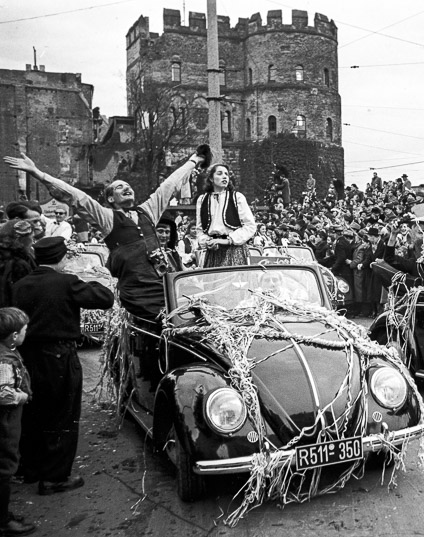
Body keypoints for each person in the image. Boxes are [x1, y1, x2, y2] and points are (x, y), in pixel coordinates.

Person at [3, 147, 208, 321]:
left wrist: (194, 160)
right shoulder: (107, 217)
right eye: (119, 187)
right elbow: (76, 196)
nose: (126, 187)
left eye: (128, 186)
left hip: (164, 286)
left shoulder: (147, 211)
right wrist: (38, 173)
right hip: (138, 293)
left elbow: (169, 185)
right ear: (110, 198)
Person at [11, 237, 114, 495]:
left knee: (33, 413)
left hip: (26, 356)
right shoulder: (66, 281)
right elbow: (104, 298)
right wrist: (95, 276)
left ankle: (31, 469)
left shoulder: (21, 285)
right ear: (63, 258)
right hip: (58, 355)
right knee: (62, 415)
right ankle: (55, 477)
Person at [0, 307, 36, 536]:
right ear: (14, 335)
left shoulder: (6, 350)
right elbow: (4, 394)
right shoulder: (4, 360)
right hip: (5, 422)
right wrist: (23, 396)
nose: (26, 333)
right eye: (24, 330)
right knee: (5, 467)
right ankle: (3, 521)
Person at [195, 163, 256, 267]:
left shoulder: (237, 198)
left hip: (235, 250)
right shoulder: (202, 200)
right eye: (219, 173)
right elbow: (200, 229)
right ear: (211, 178)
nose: (224, 177)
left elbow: (250, 226)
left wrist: (228, 240)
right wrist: (207, 242)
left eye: (226, 174)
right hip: (213, 252)